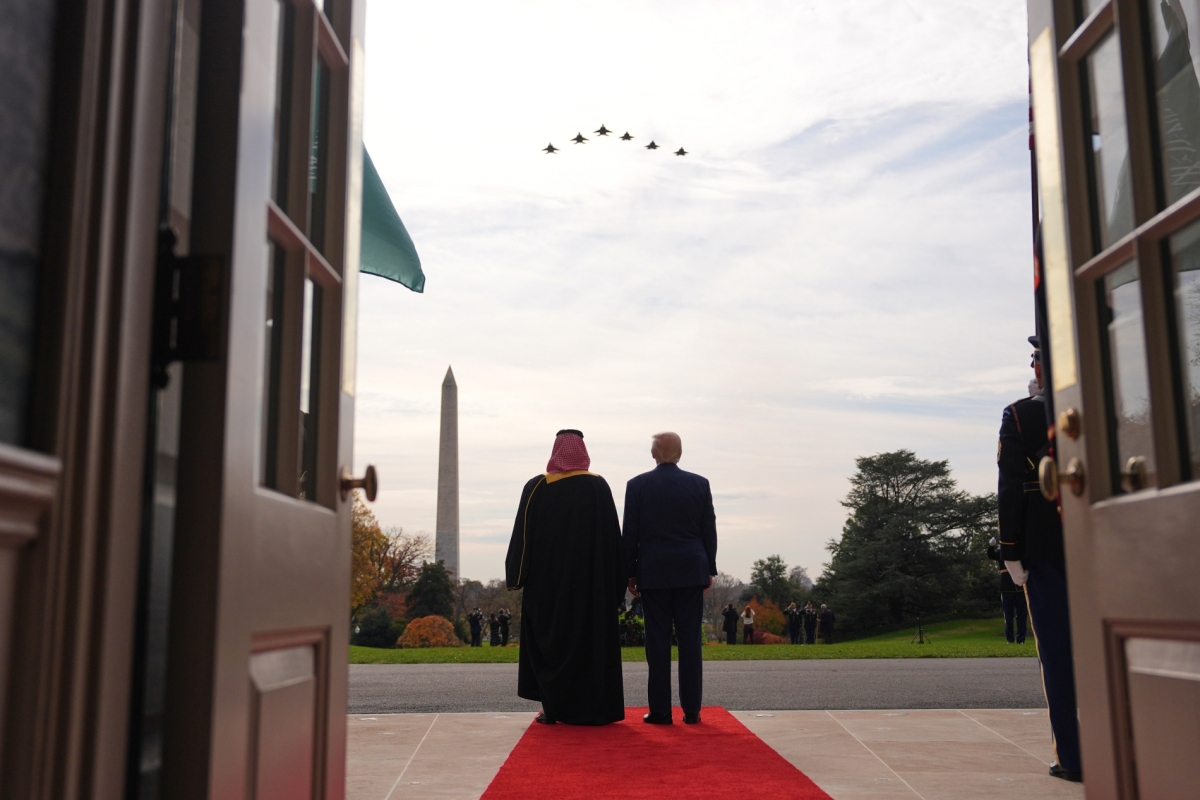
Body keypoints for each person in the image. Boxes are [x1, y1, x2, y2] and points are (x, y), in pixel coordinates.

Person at [998, 336, 1082, 782]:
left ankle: (1073, 754)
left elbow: (1011, 487)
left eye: (1035, 359)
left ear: (1043, 367)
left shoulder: (1021, 414)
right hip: (1102, 542)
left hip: (1045, 546)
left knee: (1057, 650)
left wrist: (1010, 551)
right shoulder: (1101, 408)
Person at [505, 429, 625, 725]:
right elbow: (614, 540)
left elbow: (522, 536)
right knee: (590, 647)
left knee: (552, 648)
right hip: (591, 588)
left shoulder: (537, 487)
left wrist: (516, 577)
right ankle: (594, 710)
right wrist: (616, 585)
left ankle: (553, 708)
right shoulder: (598, 487)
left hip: (548, 588)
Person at [623, 431, 718, 725]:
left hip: (653, 571)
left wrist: (629, 572)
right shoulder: (699, 484)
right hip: (691, 569)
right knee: (690, 641)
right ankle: (692, 710)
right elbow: (708, 531)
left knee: (657, 642)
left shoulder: (637, 486)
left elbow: (631, 534)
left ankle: (661, 710)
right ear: (679, 454)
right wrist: (709, 569)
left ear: (654, 454)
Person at [987, 538, 1027, 644]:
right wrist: (991, 546)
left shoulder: (1020, 552)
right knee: (1008, 616)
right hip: (1006, 587)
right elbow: (991, 555)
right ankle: (1010, 639)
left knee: (1021, 616)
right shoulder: (1002, 552)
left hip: (1019, 587)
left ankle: (1021, 639)